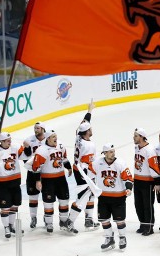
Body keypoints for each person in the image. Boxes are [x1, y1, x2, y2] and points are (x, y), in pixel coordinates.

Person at [67, 101, 100, 233]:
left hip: (78, 169)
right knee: (83, 197)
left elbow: (83, 123)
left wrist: (89, 111)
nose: (92, 130)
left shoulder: (78, 137)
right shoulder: (89, 145)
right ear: (87, 132)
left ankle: (89, 220)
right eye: (90, 129)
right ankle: (69, 222)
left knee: (91, 195)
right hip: (84, 173)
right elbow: (90, 162)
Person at [93, 143, 134, 251]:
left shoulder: (120, 163)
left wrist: (129, 188)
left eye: (113, 151)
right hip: (103, 197)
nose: (113, 153)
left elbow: (129, 178)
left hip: (118, 197)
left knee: (119, 220)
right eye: (110, 152)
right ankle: (109, 239)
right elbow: (89, 174)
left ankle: (122, 238)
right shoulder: (97, 163)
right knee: (104, 219)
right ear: (105, 153)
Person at [32, 130, 73, 233]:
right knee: (48, 202)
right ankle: (49, 223)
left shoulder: (61, 145)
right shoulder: (41, 151)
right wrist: (38, 181)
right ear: (48, 138)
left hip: (61, 178)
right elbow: (36, 167)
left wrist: (68, 168)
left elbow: (64, 158)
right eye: (53, 136)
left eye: (56, 136)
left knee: (64, 200)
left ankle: (63, 222)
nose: (55, 138)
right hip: (48, 180)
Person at [0, 132, 24, 238]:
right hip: (2, 183)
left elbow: (25, 155)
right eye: (7, 140)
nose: (9, 142)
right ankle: (6, 227)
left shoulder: (15, 147)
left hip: (15, 181)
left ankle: (11, 226)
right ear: (1, 141)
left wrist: (28, 148)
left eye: (10, 139)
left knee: (15, 205)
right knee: (5, 206)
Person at [133, 127, 160, 235]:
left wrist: (157, 182)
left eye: (136, 135)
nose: (133, 137)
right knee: (138, 204)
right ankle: (143, 224)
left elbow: (154, 166)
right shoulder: (137, 147)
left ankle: (149, 227)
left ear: (141, 137)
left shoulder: (149, 150)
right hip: (138, 180)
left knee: (147, 205)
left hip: (147, 182)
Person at [21, 121, 47, 229]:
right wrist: (26, 149)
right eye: (35, 128)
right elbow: (24, 158)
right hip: (32, 172)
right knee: (33, 196)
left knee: (47, 197)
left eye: (38, 128)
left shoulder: (48, 139)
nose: (35, 130)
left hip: (46, 172)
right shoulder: (29, 140)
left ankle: (47, 217)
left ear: (43, 129)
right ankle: (33, 218)